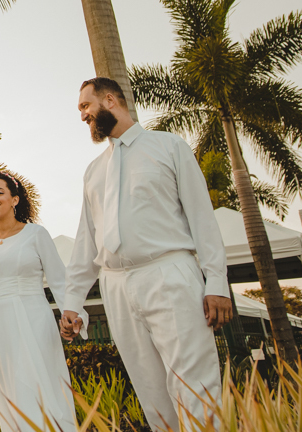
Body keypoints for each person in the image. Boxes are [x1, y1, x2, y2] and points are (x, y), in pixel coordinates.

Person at [60, 77, 232, 431]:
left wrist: (216, 279)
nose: (82, 116)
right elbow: (86, 241)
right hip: (116, 287)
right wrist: (73, 300)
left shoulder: (168, 146)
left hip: (169, 274)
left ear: (110, 100)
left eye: (85, 106)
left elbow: (202, 216)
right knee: (150, 391)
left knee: (195, 385)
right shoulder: (93, 172)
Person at [0, 171, 80, 432]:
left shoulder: (36, 234)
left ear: (15, 200)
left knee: (45, 385)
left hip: (36, 320)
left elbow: (59, 280)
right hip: (0, 329)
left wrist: (73, 316)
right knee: (12, 391)